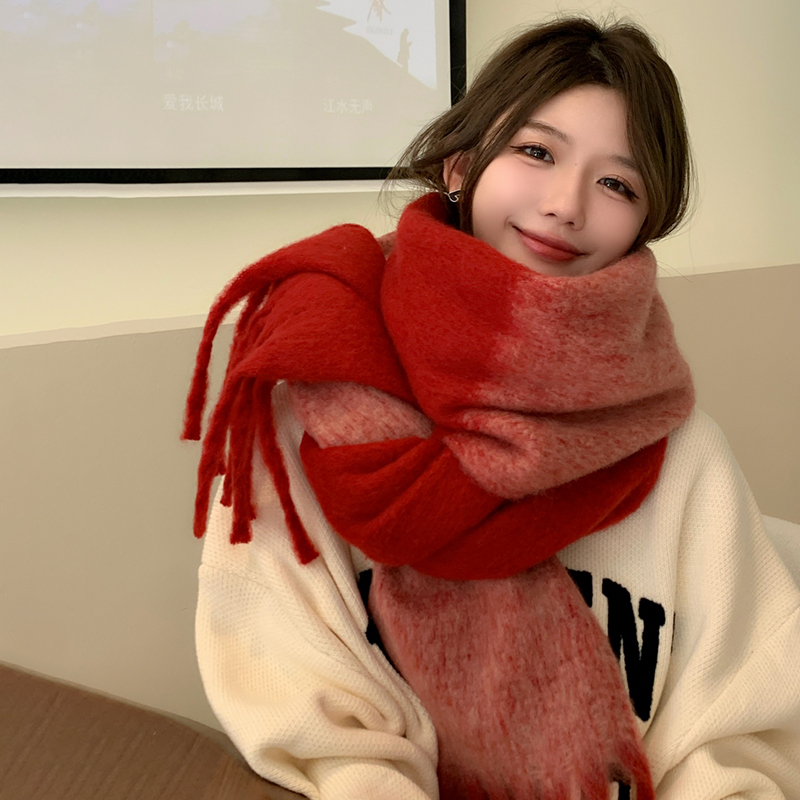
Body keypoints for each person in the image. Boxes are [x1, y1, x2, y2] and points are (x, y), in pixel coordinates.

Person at [183, 16, 800, 800]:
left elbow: (734, 737)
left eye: (618, 184)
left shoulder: (682, 451)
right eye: (537, 152)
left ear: (643, 225)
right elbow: (308, 713)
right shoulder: (314, 407)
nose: (567, 204)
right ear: (462, 165)